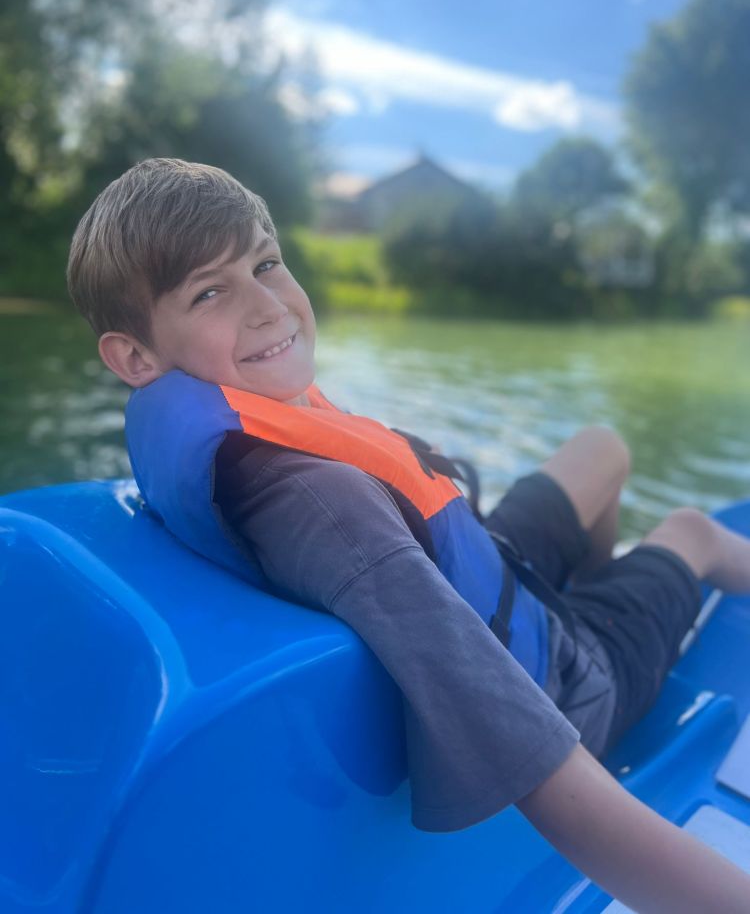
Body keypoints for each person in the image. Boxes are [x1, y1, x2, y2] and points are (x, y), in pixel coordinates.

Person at [67, 157, 750, 912]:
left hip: (501, 579)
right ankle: (605, 630)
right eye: (209, 292)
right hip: (571, 686)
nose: (267, 305)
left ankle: (588, 593)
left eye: (264, 263)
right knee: (692, 530)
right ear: (135, 356)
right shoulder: (322, 509)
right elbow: (530, 755)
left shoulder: (234, 412)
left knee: (602, 450)